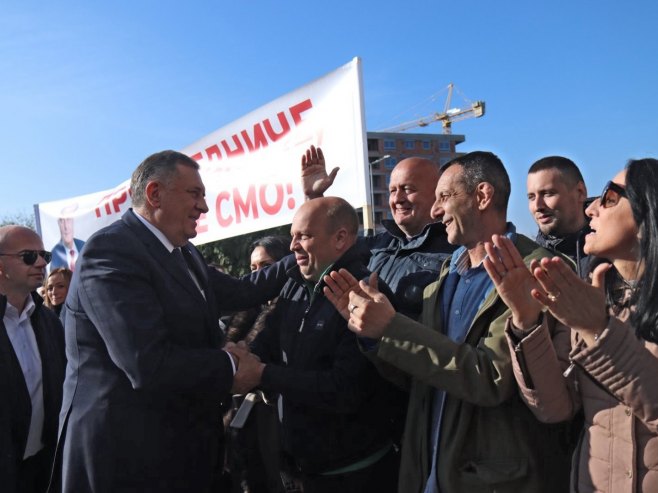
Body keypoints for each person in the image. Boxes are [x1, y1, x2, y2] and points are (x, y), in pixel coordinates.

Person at [323, 151, 571, 492]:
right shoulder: (446, 275)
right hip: (428, 472)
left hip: (492, 481)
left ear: (482, 196)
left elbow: (492, 379)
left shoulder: (536, 272)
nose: (435, 211)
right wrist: (373, 335)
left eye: (444, 197)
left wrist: (391, 328)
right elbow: (420, 376)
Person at [54, 150, 292, 493]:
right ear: (154, 194)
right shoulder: (111, 251)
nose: (205, 207)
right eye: (194, 194)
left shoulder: (185, 253)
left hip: (180, 447)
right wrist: (231, 364)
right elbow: (146, 363)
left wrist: (303, 247)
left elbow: (243, 291)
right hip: (127, 457)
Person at [484, 158, 658, 492]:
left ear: (647, 212)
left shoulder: (587, 311)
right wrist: (526, 321)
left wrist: (599, 331)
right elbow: (555, 408)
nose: (593, 208)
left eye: (609, 198)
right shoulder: (589, 298)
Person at [249, 197, 402, 493]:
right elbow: (266, 341)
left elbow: (344, 389)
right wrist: (240, 358)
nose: (293, 246)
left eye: (303, 236)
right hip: (304, 472)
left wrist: (263, 374)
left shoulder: (364, 294)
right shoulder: (293, 285)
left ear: (341, 238)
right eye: (292, 236)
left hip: (356, 476)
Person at [302, 145, 456, 319]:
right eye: (392, 191)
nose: (397, 199)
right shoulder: (376, 245)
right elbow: (326, 248)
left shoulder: (456, 254)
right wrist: (313, 197)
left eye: (408, 189)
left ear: (437, 195)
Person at [223, 234, 292, 493]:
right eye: (253, 268)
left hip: (276, 425)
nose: (259, 275)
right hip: (241, 426)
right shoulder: (246, 310)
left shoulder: (292, 307)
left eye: (267, 266)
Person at [0, 225, 66, 493]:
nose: (41, 263)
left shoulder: (49, 321)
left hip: (44, 470)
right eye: (28, 256)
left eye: (44, 255)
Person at [527, 156, 592, 276]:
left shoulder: (613, 252)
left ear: (580, 192)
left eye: (548, 194)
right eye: (531, 197)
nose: (537, 206)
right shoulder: (526, 261)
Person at [49, 206, 85, 272]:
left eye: (68, 219)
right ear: (58, 224)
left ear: (73, 221)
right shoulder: (55, 254)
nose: (66, 227)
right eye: (62, 221)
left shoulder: (84, 246)